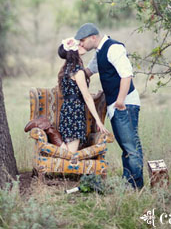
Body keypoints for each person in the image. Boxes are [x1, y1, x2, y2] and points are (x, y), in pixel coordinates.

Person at [76, 22, 144, 189]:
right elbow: (88, 71)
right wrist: (71, 62)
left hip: (124, 104)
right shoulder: (99, 52)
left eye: (82, 41)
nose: (81, 44)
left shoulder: (113, 48)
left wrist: (120, 101)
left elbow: (126, 75)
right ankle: (128, 183)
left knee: (131, 147)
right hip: (115, 105)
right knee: (125, 146)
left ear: (93, 37)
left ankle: (135, 186)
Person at [56, 37, 110, 154]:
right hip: (74, 113)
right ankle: (51, 133)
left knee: (71, 150)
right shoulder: (77, 72)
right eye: (78, 45)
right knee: (71, 152)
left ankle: (54, 138)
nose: (82, 45)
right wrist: (98, 121)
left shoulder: (66, 69)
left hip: (67, 110)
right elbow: (86, 97)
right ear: (74, 51)